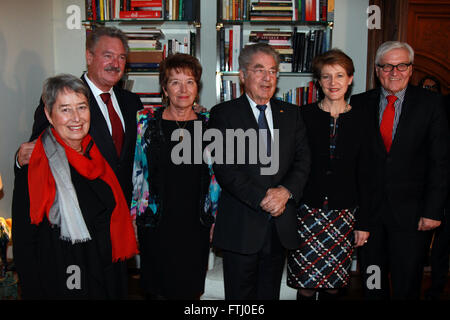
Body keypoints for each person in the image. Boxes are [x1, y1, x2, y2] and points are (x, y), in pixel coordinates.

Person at [12, 74, 138, 299]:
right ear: (49, 116)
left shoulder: (97, 156)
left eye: (81, 107)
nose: (76, 117)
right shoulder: (36, 165)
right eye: (65, 109)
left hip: (106, 274)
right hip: (67, 280)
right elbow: (24, 244)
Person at [209, 43, 311, 300]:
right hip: (241, 225)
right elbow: (225, 168)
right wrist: (265, 198)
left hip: (279, 227)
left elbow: (303, 161)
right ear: (243, 75)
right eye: (259, 70)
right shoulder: (224, 114)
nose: (267, 78)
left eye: (273, 71)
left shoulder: (292, 114)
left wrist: (285, 193)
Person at [351, 41, 449, 299]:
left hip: (413, 217)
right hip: (369, 217)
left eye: (401, 65)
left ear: (411, 68)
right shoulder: (359, 103)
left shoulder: (431, 104)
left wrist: (433, 210)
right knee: (372, 282)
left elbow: (440, 161)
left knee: (407, 285)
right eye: (387, 66)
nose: (394, 72)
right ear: (376, 69)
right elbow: (355, 162)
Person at [16, 27, 143, 205]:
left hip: (125, 211)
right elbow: (35, 152)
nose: (115, 63)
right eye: (108, 56)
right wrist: (19, 160)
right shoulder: (63, 100)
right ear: (89, 57)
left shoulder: (133, 103)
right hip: (83, 210)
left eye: (121, 57)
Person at [131, 53, 220, 300]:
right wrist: (132, 216)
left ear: (197, 87)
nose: (183, 89)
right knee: (156, 290)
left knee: (190, 290)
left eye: (189, 81)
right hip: (156, 222)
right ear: (164, 88)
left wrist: (216, 217)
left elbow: (216, 178)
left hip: (196, 224)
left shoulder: (210, 124)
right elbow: (138, 171)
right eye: (175, 82)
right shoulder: (146, 123)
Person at [287, 49, 371, 300]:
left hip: (345, 215)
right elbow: (291, 164)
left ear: (350, 79)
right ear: (318, 82)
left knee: (334, 285)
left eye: (339, 75)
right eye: (326, 77)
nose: (333, 83)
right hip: (305, 213)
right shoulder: (302, 116)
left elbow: (369, 175)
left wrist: (364, 223)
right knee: (306, 284)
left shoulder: (364, 120)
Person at [418, 75, 450, 300]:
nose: (429, 91)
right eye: (425, 87)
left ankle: (437, 286)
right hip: (426, 189)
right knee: (430, 244)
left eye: (433, 88)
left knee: (443, 241)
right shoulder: (418, 112)